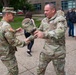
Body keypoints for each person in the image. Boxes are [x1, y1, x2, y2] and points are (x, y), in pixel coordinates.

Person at [34, 3, 67, 75]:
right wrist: (32, 32)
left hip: (58, 52)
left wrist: (45, 34)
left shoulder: (60, 20)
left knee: (60, 72)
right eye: (44, 10)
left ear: (53, 10)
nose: (45, 12)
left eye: (47, 10)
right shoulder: (44, 20)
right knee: (40, 69)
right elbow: (40, 30)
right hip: (46, 51)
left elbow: (60, 32)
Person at [0, 7, 31, 75]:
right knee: (14, 72)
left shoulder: (1, 23)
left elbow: (3, 35)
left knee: (11, 70)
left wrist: (15, 31)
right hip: (7, 54)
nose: (14, 16)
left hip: (3, 52)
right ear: (7, 14)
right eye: (13, 14)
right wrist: (25, 42)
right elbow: (13, 42)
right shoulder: (7, 27)